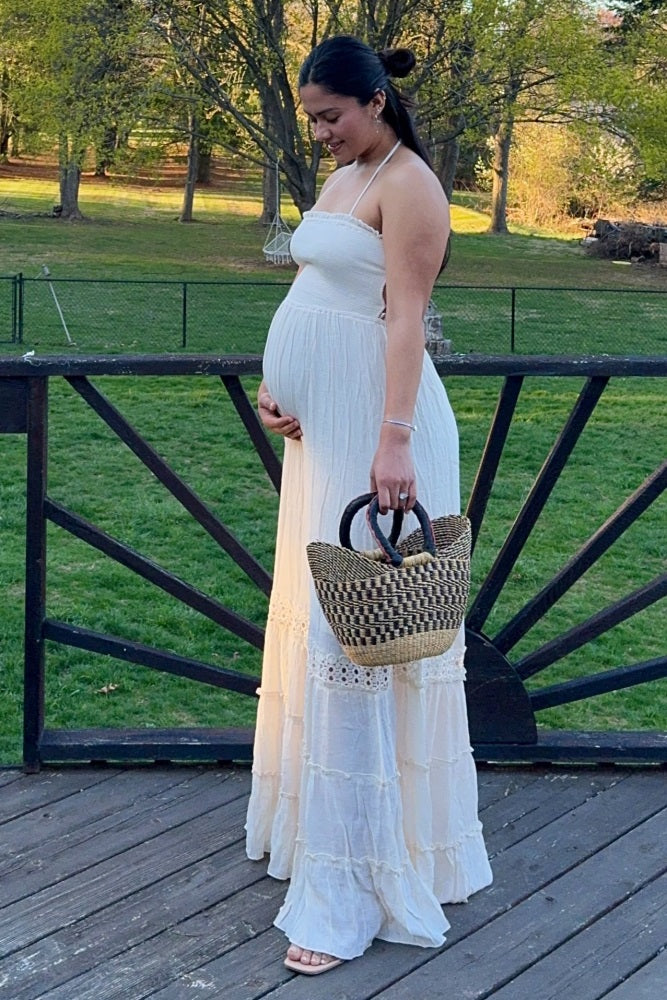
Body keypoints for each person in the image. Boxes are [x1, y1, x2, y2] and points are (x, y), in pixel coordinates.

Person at [245, 34, 492, 975]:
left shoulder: (412, 185)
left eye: (331, 117)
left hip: (381, 430)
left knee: (354, 638)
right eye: (313, 119)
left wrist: (392, 440)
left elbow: (404, 319)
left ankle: (349, 893)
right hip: (325, 430)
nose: (320, 133)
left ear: (376, 101)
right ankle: (322, 837)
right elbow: (321, 289)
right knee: (326, 619)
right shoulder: (345, 177)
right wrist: (280, 391)